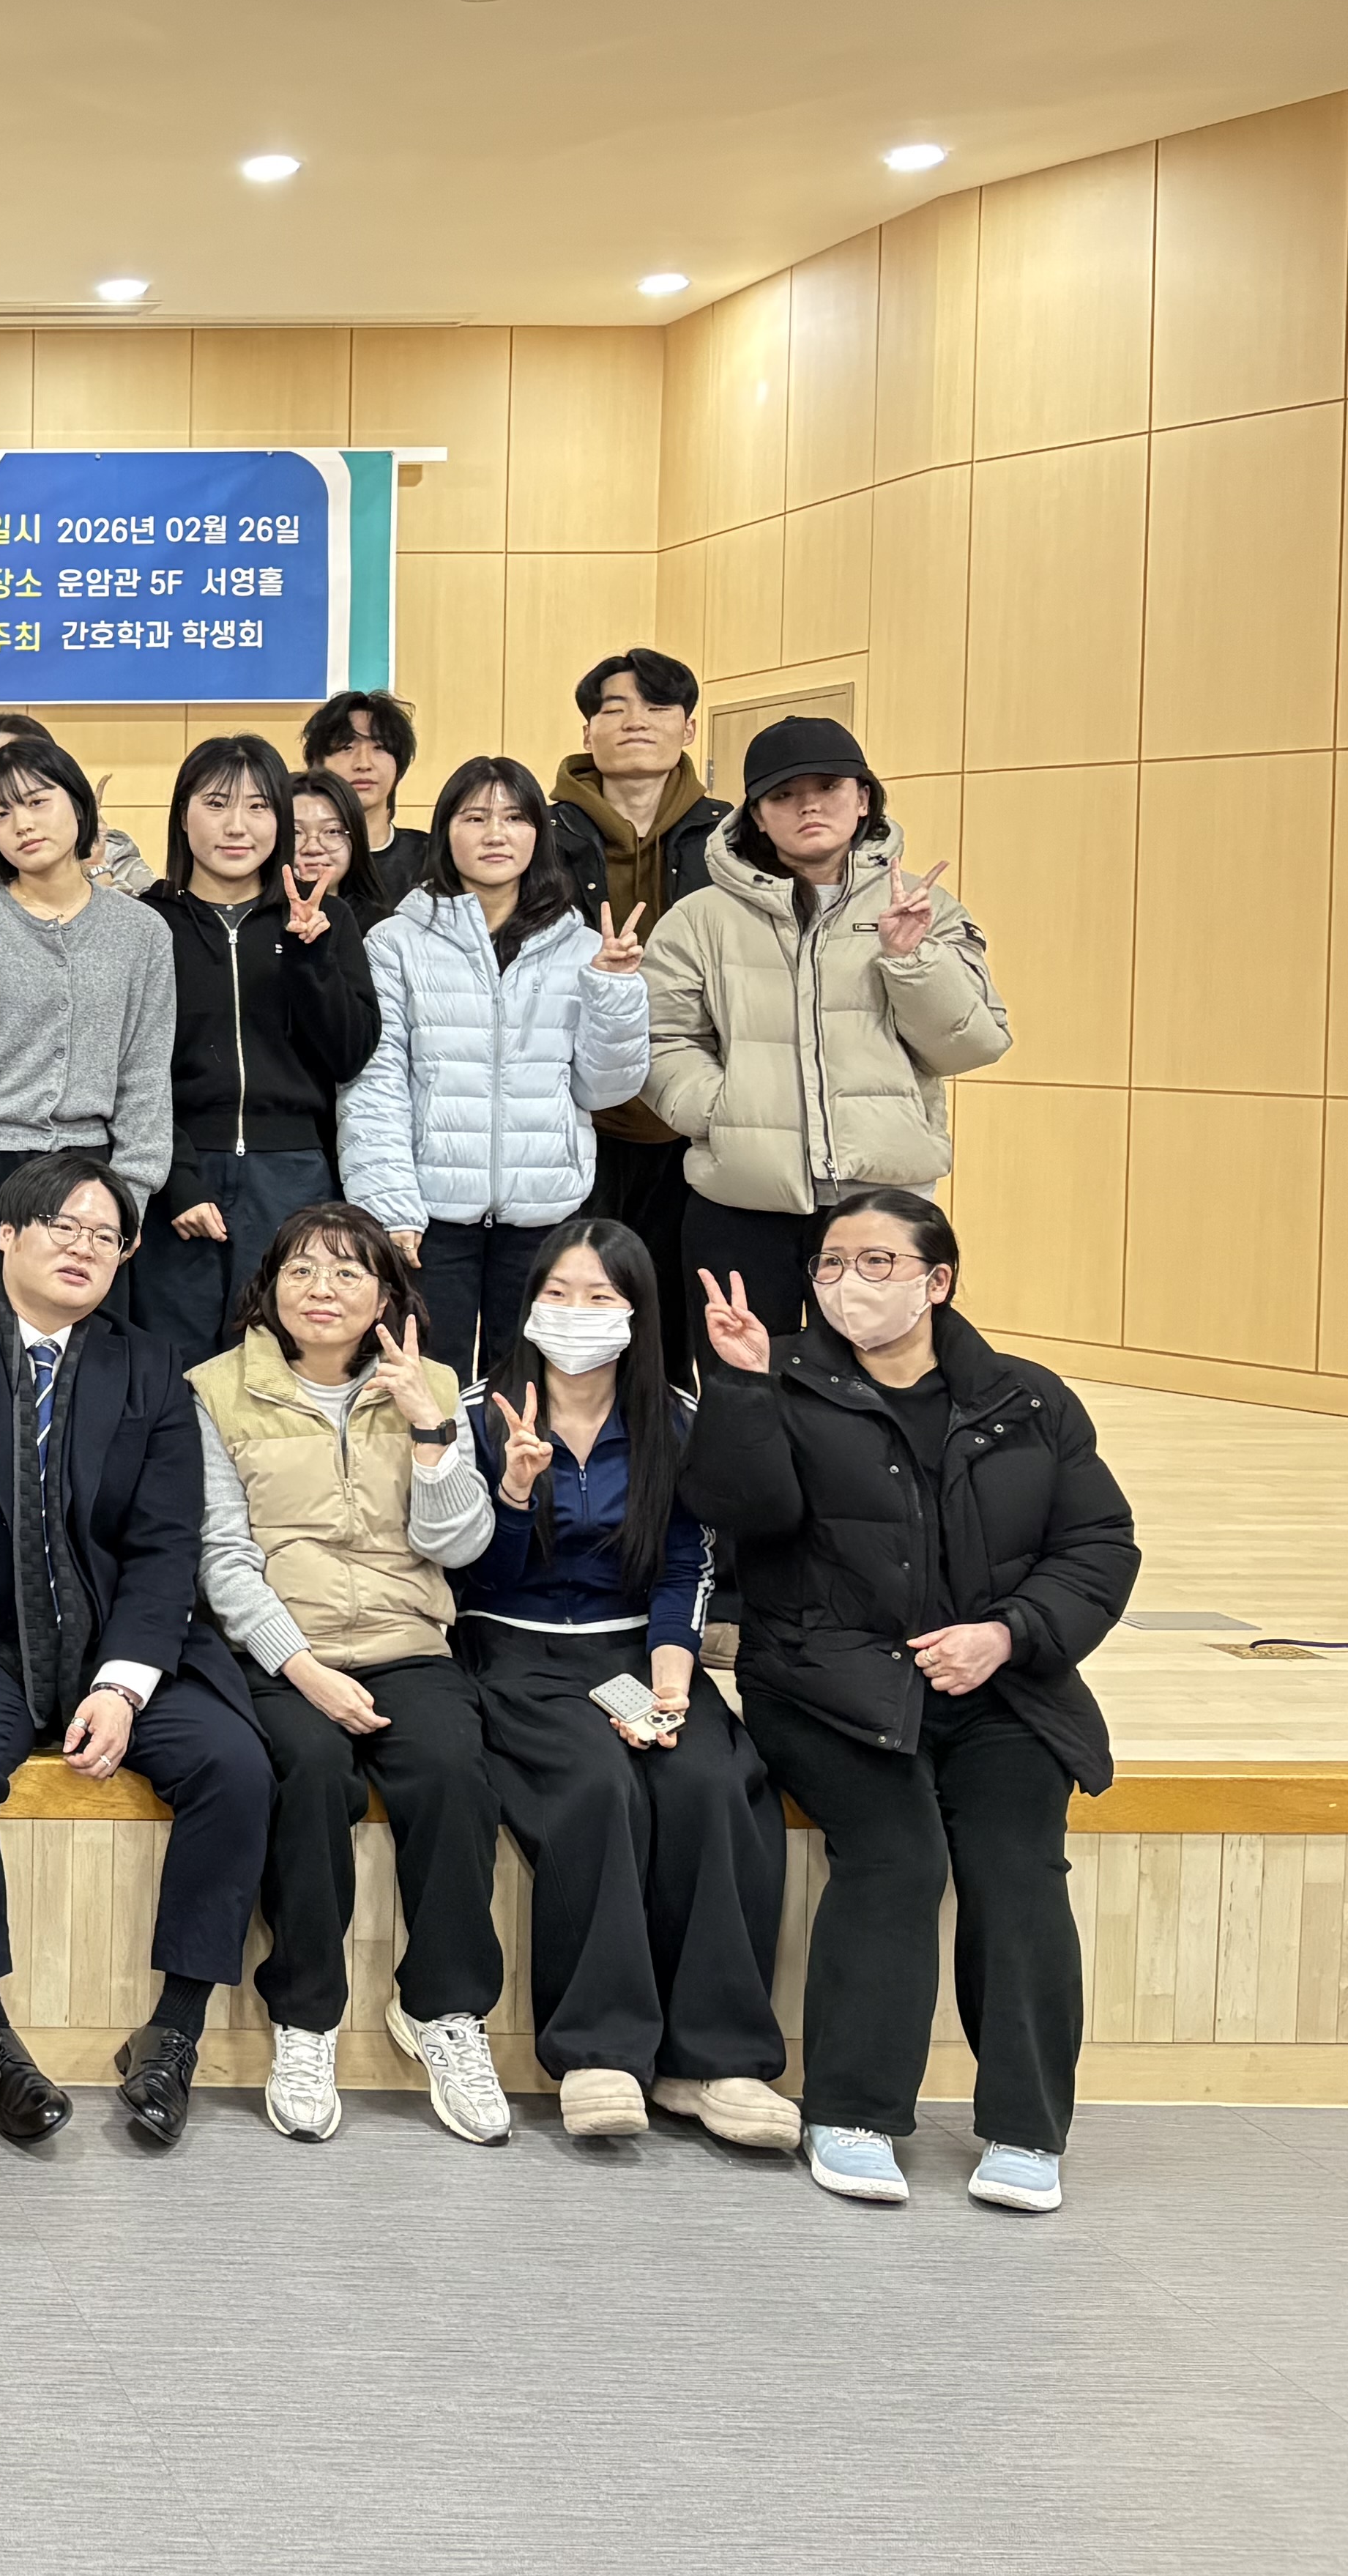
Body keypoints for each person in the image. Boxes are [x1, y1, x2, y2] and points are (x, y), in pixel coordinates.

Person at [686, 1193, 1139, 2214]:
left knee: (1018, 1865)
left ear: (938, 1281)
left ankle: (1026, 2127)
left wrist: (1008, 1635)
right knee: (897, 1855)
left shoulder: (1030, 1399)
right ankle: (851, 2113)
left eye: (878, 1262)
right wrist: (742, 1385)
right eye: (831, 1263)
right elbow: (741, 1514)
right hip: (829, 1683)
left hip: (1000, 1684)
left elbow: (1099, 1545)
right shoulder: (780, 1378)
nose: (849, 1281)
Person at [0, 1153, 274, 2150]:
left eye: (106, 1236)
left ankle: (175, 2032)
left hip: (115, 1638)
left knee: (237, 1764)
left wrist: (124, 1685)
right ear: (8, 1233)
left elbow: (167, 1544)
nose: (85, 1248)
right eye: (63, 1226)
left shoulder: (152, 1365)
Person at [455, 1217, 797, 2150]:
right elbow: (467, 1577)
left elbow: (687, 1564)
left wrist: (672, 1681)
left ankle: (715, 2061)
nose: (576, 1313)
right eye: (557, 1293)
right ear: (528, 1305)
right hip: (515, 1648)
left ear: (638, 1313)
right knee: (597, 1786)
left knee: (713, 1782)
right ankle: (599, 2051)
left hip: (637, 1651)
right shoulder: (479, 1413)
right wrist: (514, 1494)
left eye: (600, 1296)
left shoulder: (676, 1419)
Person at [190, 1207, 514, 2149]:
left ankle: (444, 2011)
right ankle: (306, 2019)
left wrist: (430, 1433)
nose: (321, 1290)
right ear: (269, 1289)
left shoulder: (434, 1385)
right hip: (281, 1649)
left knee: (452, 1772)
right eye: (300, 1270)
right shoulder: (215, 1390)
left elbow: (460, 1544)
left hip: (408, 1640)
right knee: (310, 1774)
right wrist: (303, 1668)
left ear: (385, 1296)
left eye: (346, 1273)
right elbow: (221, 1557)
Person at [641, 712, 1005, 1345]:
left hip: (883, 1203)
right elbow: (660, 1040)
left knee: (880, 1377)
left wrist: (912, 960)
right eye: (783, 795)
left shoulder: (923, 908)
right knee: (743, 1382)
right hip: (743, 1200)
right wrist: (723, 1109)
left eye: (829, 787)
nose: (808, 806)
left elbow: (974, 1043)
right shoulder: (699, 919)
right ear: (756, 816)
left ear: (864, 799)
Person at [338, 757, 651, 1378]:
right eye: (474, 817)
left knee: (532, 1383)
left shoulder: (584, 946)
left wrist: (615, 991)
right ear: (445, 832)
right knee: (429, 1381)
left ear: (539, 833)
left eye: (514, 818)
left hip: (546, 1210)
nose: (495, 834)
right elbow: (375, 1086)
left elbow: (604, 1088)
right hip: (428, 1215)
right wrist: (391, 1206)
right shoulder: (396, 942)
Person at [0, 732, 177, 1309]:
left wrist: (129, 1198)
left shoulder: (141, 931)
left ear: (79, 805)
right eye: (1, 813)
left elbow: (146, 1076)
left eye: (37, 801)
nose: (22, 824)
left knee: (81, 1349)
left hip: (87, 1171)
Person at [136, 735, 374, 1348]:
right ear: (182, 814)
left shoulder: (325, 918)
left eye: (259, 807)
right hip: (176, 1175)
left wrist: (310, 957)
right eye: (217, 804)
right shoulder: (146, 923)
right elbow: (128, 1070)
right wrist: (177, 1177)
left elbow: (350, 1053)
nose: (237, 826)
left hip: (293, 1175)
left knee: (281, 1359)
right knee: (174, 1365)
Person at [547, 651, 725, 1377]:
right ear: (587, 731)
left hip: (698, 1112)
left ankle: (670, 1437)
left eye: (656, 708)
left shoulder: (734, 838)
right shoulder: (540, 833)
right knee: (573, 1306)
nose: (635, 722)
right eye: (615, 708)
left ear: (688, 729)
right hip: (574, 1110)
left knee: (684, 1313)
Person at [0, 711, 152, 891]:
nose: (23, 824)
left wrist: (96, 869)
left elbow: (149, 913)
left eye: (36, 801)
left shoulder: (115, 852)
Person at [302, 688, 433, 906]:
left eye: (380, 747)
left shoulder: (431, 857)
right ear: (317, 763)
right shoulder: (299, 854)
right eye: (347, 747)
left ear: (399, 764)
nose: (364, 764)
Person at [287, 766, 390, 941]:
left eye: (333, 831)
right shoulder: (252, 921)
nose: (313, 848)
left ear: (356, 839)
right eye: (295, 832)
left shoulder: (382, 929)